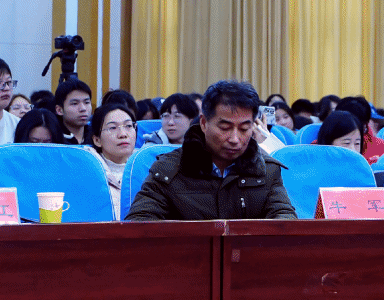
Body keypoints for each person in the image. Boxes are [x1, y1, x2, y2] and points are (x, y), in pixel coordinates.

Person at [126, 79, 295, 220]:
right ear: (204, 123)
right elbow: (140, 225)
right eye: (225, 128)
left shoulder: (267, 170)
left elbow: (285, 221)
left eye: (244, 129)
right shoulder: (168, 171)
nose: (235, 139)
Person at [88, 102, 138, 216]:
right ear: (97, 140)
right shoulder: (88, 171)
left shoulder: (148, 166)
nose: (123, 134)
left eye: (128, 126)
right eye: (113, 128)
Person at [53, 78, 95, 145]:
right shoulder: (52, 138)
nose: (83, 108)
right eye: (74, 103)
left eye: (87, 102)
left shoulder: (96, 136)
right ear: (59, 110)